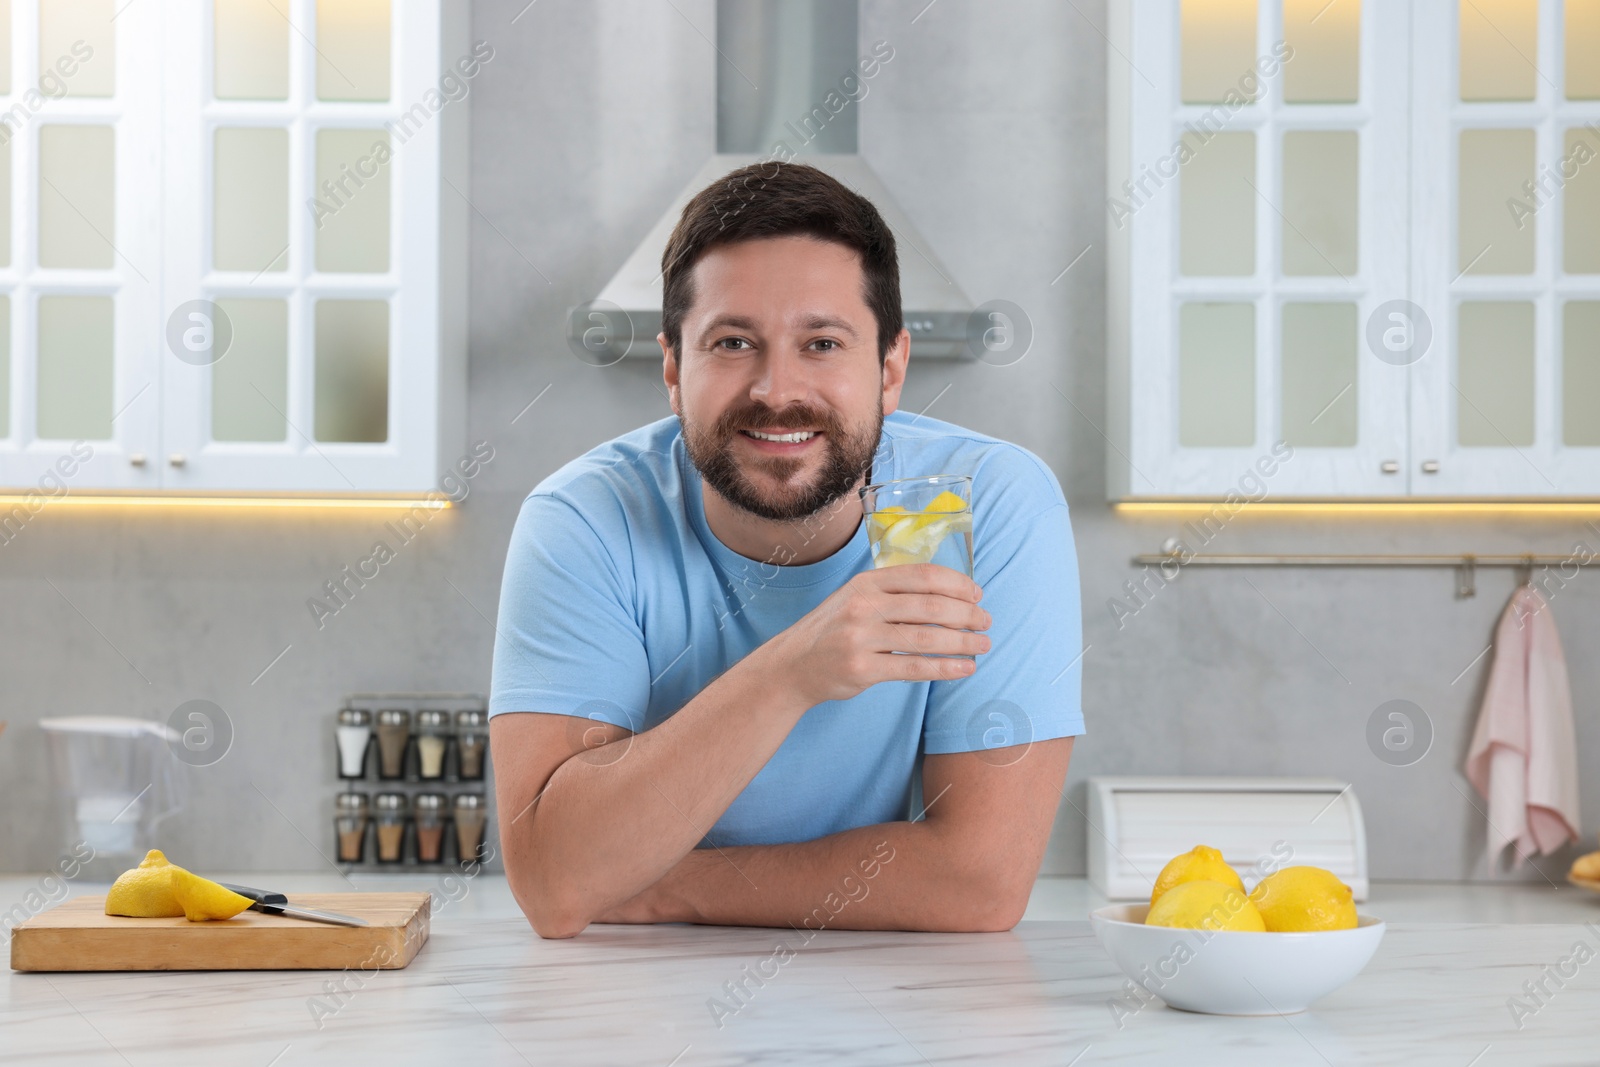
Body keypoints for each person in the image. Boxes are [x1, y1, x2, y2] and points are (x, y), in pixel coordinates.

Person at [489, 161, 1084, 939]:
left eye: (823, 342)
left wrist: (657, 885)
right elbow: (555, 881)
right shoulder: (588, 519)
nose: (776, 390)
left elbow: (978, 883)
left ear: (891, 368)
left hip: (889, 998)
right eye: (733, 341)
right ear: (673, 368)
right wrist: (795, 668)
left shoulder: (969, 504)